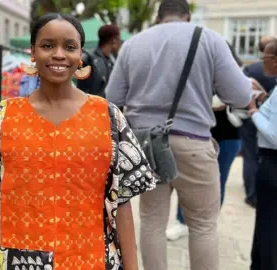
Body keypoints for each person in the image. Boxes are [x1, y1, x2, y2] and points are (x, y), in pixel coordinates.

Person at [0, 13, 158, 270]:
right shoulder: (5, 117)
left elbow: (122, 203)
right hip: (16, 260)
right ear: (32, 52)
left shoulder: (109, 118)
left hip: (90, 259)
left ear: (80, 56)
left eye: (69, 47)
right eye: (47, 45)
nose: (58, 54)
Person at [105, 0, 253, 269]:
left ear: (160, 17)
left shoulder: (133, 44)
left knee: (151, 221)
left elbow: (113, 98)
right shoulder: (209, 39)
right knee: (203, 225)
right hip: (193, 142)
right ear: (187, 16)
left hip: (147, 146)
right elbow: (240, 95)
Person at [166, 42, 246, 241]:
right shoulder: (199, 72)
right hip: (197, 135)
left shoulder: (238, 75)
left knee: (218, 181)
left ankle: (207, 223)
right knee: (187, 181)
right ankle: (181, 221)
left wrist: (228, 101)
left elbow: (245, 101)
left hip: (228, 135)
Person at [248, 39, 277, 270]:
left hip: (273, 164)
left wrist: (253, 111)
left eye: (264, 58)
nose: (262, 62)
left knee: (268, 226)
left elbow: (275, 135)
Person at [240, 35, 277, 208]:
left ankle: (251, 195)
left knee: (250, 157)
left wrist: (253, 109)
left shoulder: (251, 70)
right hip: (263, 123)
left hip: (253, 122)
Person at [77, 24, 121, 98]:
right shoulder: (88, 58)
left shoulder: (112, 61)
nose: (120, 43)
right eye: (119, 39)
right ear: (114, 40)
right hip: (86, 106)